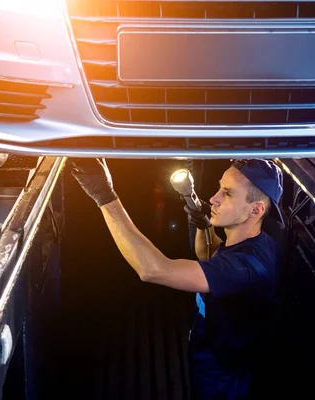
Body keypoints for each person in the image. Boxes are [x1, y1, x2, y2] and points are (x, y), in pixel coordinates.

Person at [70, 158, 283, 400]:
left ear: (256, 210)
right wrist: (202, 225)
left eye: (227, 194)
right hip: (211, 348)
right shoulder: (256, 243)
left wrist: (104, 196)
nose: (213, 198)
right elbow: (208, 256)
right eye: (218, 188)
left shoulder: (244, 268)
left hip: (220, 374)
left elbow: (153, 270)